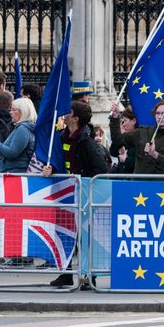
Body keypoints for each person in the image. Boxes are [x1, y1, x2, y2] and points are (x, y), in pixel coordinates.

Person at [42, 101, 108, 288]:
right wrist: (51, 168)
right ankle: (66, 273)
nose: (64, 113)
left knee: (85, 237)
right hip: (65, 193)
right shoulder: (62, 137)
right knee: (64, 234)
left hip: (84, 196)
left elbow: (100, 169)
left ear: (76, 118)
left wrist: (84, 182)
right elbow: (59, 161)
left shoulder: (87, 142)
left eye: (68, 111)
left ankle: (89, 277)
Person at [109, 100, 164, 174]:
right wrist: (115, 117)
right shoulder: (142, 131)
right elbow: (118, 139)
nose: (160, 117)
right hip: (138, 182)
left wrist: (154, 154)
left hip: (159, 184)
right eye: (157, 113)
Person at [0, 98, 36, 173]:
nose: (10, 112)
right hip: (15, 172)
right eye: (10, 109)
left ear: (23, 112)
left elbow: (12, 153)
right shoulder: (24, 128)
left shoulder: (23, 129)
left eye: (14, 110)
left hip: (15, 173)